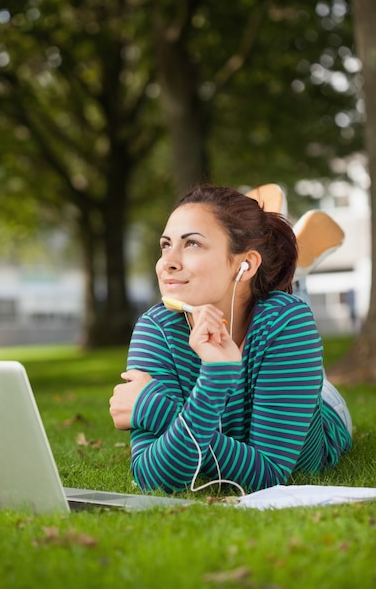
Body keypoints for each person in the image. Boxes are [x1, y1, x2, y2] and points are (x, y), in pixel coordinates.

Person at [109, 184, 352, 495]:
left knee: (285, 298)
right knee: (270, 290)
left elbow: (270, 475)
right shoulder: (155, 328)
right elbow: (153, 479)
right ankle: (274, 258)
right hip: (251, 297)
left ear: (244, 263)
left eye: (192, 244)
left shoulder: (288, 321)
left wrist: (154, 409)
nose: (167, 262)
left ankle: (288, 269)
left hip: (320, 404)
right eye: (166, 245)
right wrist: (215, 378)